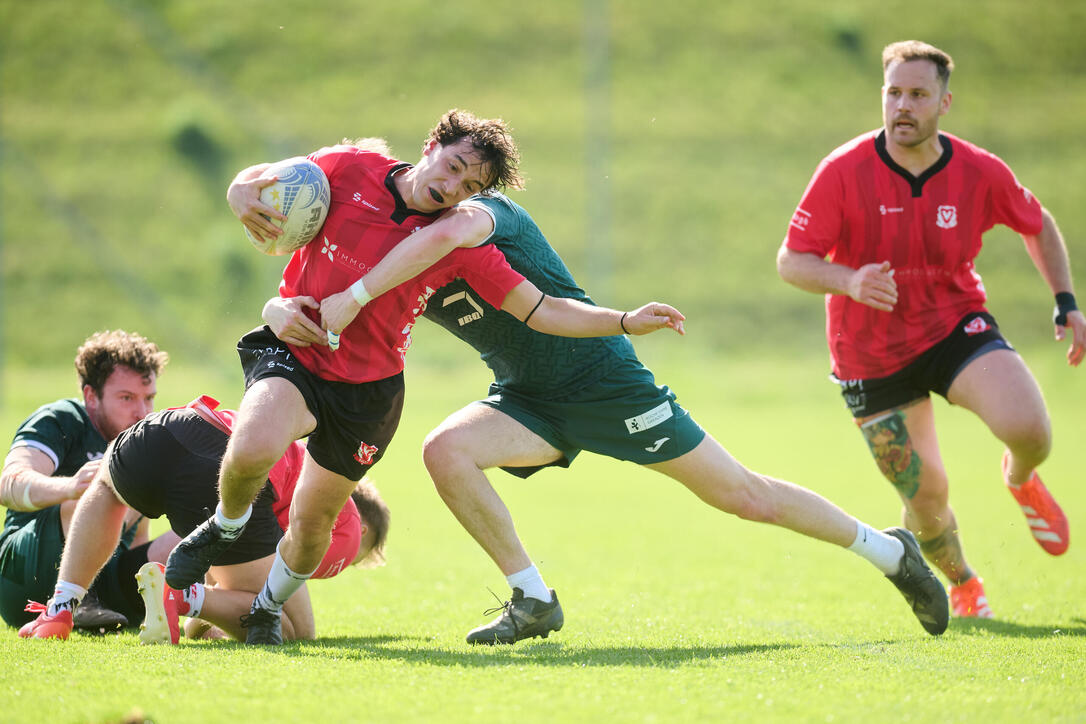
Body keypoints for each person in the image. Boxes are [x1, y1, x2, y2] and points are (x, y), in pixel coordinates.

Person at [264, 189, 952, 644]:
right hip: (527, 397)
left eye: (466, 172)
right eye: (443, 165)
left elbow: (485, 251)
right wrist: (280, 307)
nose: (450, 184)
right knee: (445, 450)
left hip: (603, 382)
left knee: (743, 496)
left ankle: (891, 551)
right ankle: (532, 599)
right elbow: (315, 292)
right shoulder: (391, 251)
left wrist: (625, 320)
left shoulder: (480, 218)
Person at [165, 109, 685, 645]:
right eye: (454, 165)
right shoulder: (349, 167)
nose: (453, 186)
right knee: (253, 448)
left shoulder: (457, 243)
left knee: (313, 522)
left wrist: (624, 321)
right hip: (298, 352)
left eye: (471, 185)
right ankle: (225, 524)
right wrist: (239, 195)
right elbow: (257, 182)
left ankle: (267, 609)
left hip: (368, 390)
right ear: (432, 145)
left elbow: (544, 309)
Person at [776, 40, 1084, 619]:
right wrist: (848, 279)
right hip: (868, 355)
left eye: (918, 94)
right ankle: (964, 582)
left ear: (945, 101)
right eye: (893, 92)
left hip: (952, 326)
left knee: (1031, 430)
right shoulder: (843, 171)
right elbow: (791, 260)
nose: (903, 105)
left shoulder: (977, 171)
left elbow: (1036, 222)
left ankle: (1019, 479)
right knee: (926, 501)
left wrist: (1065, 300)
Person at [18, 395, 389, 642]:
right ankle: (177, 594)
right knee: (293, 631)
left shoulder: (301, 462)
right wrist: (194, 604)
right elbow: (275, 592)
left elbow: (212, 610)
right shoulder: (348, 526)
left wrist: (206, 618)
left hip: (169, 425)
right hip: (222, 470)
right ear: (365, 530)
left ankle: (61, 607)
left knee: (108, 488)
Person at [0, 330, 172, 632]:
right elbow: (9, 485)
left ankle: (202, 609)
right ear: (91, 395)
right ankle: (77, 599)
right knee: (100, 490)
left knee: (202, 525)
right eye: (127, 398)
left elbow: (138, 536)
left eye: (149, 398)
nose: (142, 412)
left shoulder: (139, 441)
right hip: (21, 575)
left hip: (104, 581)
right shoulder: (62, 420)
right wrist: (72, 487)